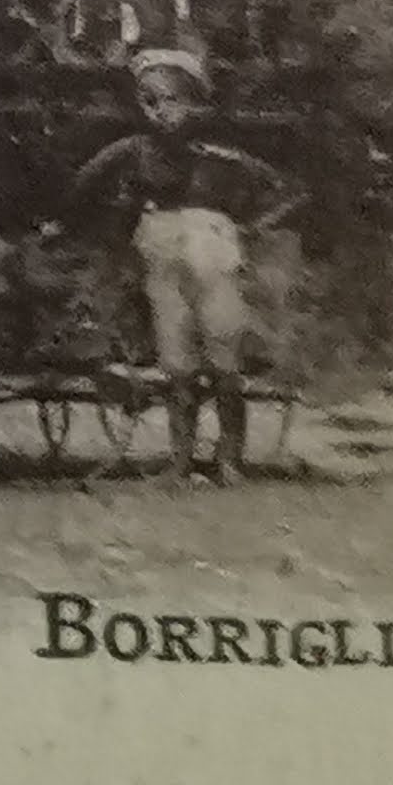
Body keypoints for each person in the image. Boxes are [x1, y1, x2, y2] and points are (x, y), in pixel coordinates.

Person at [65, 44, 300, 482]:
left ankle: (229, 460)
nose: (161, 113)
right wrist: (115, 217)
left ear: (195, 103)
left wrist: (250, 227)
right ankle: (180, 461)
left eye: (172, 100)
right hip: (161, 258)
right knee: (178, 366)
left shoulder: (217, 157)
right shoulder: (133, 152)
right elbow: (82, 184)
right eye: (150, 102)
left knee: (224, 361)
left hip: (214, 257)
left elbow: (285, 190)